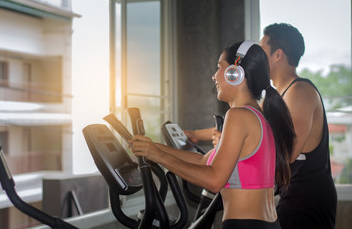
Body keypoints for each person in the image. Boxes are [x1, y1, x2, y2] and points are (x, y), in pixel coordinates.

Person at [130, 40, 295, 229]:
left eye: (219, 67)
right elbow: (203, 161)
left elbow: (214, 180)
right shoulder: (259, 117)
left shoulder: (238, 116)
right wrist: (153, 148)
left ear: (235, 73)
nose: (214, 76)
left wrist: (158, 156)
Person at [260, 23, 337, 229]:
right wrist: (196, 135)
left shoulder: (300, 91)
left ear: (278, 54)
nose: (258, 58)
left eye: (262, 51)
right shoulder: (276, 96)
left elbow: (288, 151)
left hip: (308, 197)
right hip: (292, 192)